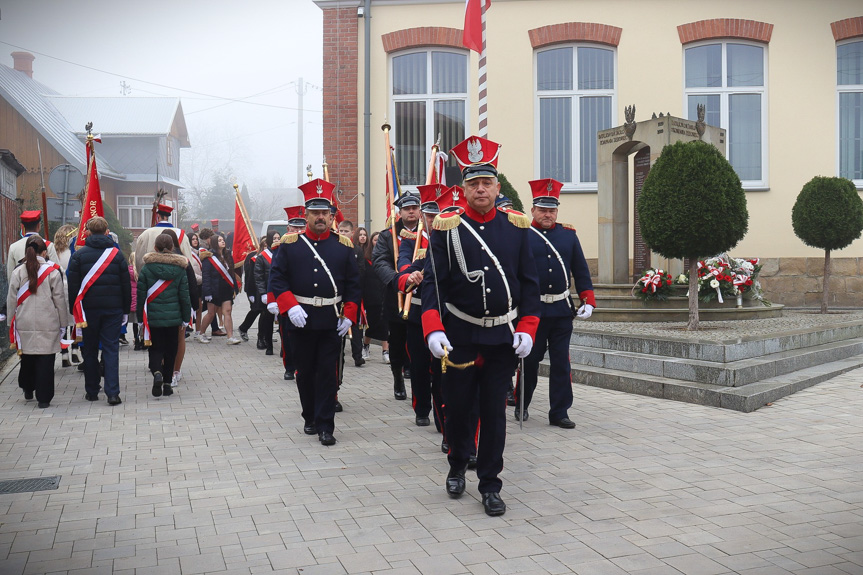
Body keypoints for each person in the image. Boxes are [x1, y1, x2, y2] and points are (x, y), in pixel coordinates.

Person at [421, 135, 540, 516]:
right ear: (463, 188)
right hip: (459, 335)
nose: (481, 189)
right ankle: (457, 464)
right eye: (473, 183)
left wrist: (528, 327)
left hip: (501, 337)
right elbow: (432, 284)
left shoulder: (517, 227)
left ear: (497, 186)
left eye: (486, 182)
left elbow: (530, 285)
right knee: (457, 409)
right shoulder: (447, 228)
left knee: (493, 412)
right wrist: (433, 327)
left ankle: (490, 483)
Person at [267, 179, 360, 446]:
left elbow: (353, 284)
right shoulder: (290, 243)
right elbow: (278, 278)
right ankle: (309, 416)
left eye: (325, 213)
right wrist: (290, 306)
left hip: (331, 320)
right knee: (305, 372)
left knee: (328, 374)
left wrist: (350, 314)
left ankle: (325, 425)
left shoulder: (343, 245)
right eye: (315, 213)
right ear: (305, 215)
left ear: (331, 216)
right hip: (300, 319)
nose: (320, 217)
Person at [516, 178, 595, 428]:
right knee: (530, 360)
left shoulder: (568, 236)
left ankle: (559, 412)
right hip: (533, 311)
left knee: (561, 362)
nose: (547, 214)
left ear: (557, 211)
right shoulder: (523, 236)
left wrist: (587, 299)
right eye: (542, 209)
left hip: (561, 311)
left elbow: (581, 270)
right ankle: (521, 404)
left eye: (551, 210)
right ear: (533, 210)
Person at [67, 216, 132, 406]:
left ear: (87, 232)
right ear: (107, 231)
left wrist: (74, 309)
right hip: (113, 309)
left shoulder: (78, 255)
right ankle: (113, 393)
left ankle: (92, 390)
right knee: (111, 349)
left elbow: (73, 286)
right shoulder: (117, 254)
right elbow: (125, 285)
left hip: (87, 310)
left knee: (89, 349)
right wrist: (125, 310)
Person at [6, 236, 71, 408]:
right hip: (47, 319)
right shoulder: (53, 272)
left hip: (24, 320)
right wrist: (64, 323)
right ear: (44, 252)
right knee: (46, 360)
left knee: (26, 357)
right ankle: (44, 398)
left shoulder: (18, 272)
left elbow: (12, 299)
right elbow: (59, 300)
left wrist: (10, 324)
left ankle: (28, 387)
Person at [372, 193, 421, 400]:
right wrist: (397, 280)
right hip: (397, 295)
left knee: (419, 343)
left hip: (423, 296)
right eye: (407, 208)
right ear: (399, 212)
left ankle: (418, 379)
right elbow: (379, 261)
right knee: (398, 342)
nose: (411, 211)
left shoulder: (427, 231)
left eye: (414, 208)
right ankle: (397, 378)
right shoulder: (388, 235)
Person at [137, 234, 190, 397]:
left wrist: (140, 319)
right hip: (174, 318)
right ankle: (167, 384)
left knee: (155, 349)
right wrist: (186, 317)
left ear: (155, 248)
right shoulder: (180, 269)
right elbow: (184, 296)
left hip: (153, 317)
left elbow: (141, 296)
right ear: (173, 247)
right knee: (170, 350)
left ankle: (157, 373)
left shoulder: (147, 268)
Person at [159, 229, 200, 386]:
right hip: (180, 304)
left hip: (159, 304)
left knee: (162, 338)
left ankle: (163, 368)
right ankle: (176, 371)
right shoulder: (184, 260)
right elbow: (191, 285)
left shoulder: (152, 260)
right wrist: (194, 306)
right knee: (179, 337)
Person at [199, 235, 240, 344]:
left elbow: (231, 273)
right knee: (211, 313)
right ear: (214, 243)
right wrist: (207, 292)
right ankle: (201, 333)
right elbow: (206, 276)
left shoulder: (228, 255)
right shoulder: (209, 257)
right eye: (219, 240)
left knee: (227, 312)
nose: (222, 242)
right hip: (213, 290)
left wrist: (235, 287)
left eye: (223, 240)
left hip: (226, 289)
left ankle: (230, 337)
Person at [133, 204, 192, 273]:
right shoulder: (182, 235)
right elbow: (188, 260)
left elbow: (139, 260)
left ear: (158, 216)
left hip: (152, 276)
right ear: (168, 217)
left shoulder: (146, 234)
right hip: (176, 277)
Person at [6, 210, 59, 283]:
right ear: (39, 225)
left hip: (21, 292)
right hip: (44, 292)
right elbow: (56, 274)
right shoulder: (49, 246)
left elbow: (10, 277)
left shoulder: (13, 247)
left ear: (23, 227)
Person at [361, 231, 389, 361]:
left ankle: (385, 351)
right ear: (371, 242)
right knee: (372, 324)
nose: (377, 242)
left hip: (384, 296)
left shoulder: (386, 258)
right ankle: (365, 345)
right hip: (370, 297)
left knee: (384, 324)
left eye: (379, 240)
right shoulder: (366, 259)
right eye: (375, 240)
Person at [253, 231, 280, 355]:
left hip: (280, 291)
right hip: (267, 293)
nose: (276, 240)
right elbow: (258, 277)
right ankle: (268, 345)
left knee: (282, 320)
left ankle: (284, 349)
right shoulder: (262, 256)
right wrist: (263, 293)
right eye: (274, 238)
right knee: (267, 320)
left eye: (278, 238)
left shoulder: (282, 253)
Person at [238, 236, 266, 345]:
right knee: (257, 310)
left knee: (264, 312)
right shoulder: (253, 256)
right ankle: (244, 328)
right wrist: (250, 293)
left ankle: (265, 335)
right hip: (254, 289)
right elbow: (249, 276)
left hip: (264, 289)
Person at [349, 227, 369, 366]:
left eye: (346, 231)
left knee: (354, 324)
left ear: (351, 233)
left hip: (352, 292)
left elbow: (361, 271)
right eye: (341, 231)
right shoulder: (335, 248)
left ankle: (357, 355)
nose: (343, 234)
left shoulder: (357, 250)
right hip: (336, 294)